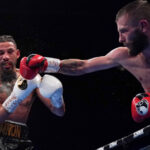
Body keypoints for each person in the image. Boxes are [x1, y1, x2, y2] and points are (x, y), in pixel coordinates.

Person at [20, 0, 150, 124]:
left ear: (143, 26)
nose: (120, 39)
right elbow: (82, 66)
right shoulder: (124, 55)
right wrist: (45, 64)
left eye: (124, 31)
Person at [0, 35, 65, 150]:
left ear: (18, 54)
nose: (5, 57)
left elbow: (59, 112)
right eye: (1, 53)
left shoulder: (31, 78)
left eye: (10, 52)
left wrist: (57, 96)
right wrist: (16, 97)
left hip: (20, 141)